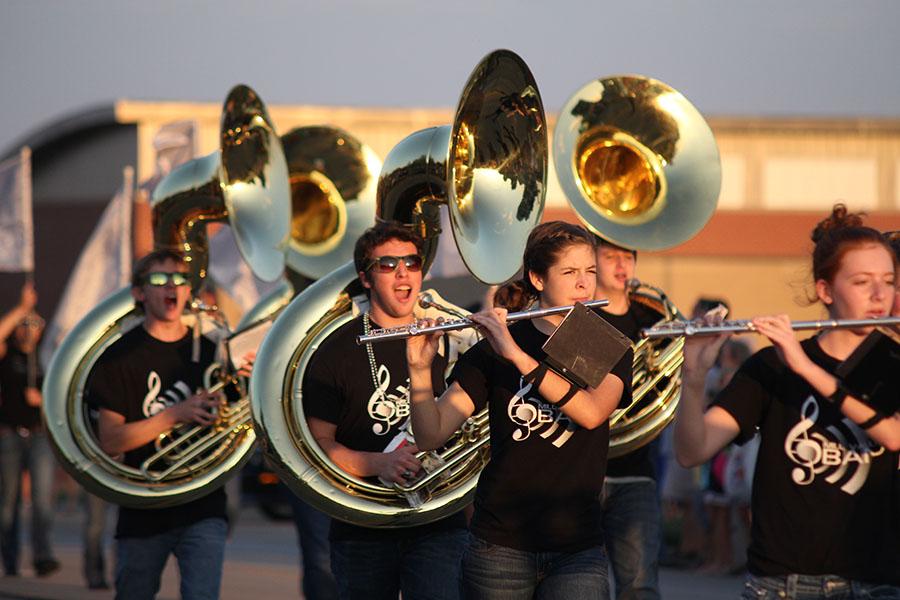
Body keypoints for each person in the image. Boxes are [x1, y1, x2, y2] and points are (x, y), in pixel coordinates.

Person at [674, 204, 900, 599]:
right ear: (825, 290)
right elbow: (693, 451)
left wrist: (808, 369)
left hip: (876, 582)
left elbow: (895, 436)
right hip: (782, 585)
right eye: (862, 282)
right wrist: (692, 376)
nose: (880, 294)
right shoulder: (771, 366)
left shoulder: (892, 365)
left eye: (888, 281)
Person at [407, 221, 633, 599]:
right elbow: (432, 433)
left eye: (590, 271)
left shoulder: (599, 340)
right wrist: (418, 372)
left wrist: (517, 356)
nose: (584, 283)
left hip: (577, 545)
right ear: (538, 279)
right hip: (500, 543)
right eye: (570, 272)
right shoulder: (494, 346)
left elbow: (592, 413)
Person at [302, 220, 467, 600]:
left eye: (411, 262)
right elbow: (318, 446)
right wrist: (379, 464)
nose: (402, 272)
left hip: (439, 521)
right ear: (365, 278)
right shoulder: (335, 349)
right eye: (387, 265)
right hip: (362, 526)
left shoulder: (451, 339)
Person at [86, 249, 243, 600]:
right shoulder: (118, 357)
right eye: (159, 280)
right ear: (139, 293)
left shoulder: (212, 350)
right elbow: (111, 440)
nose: (172, 287)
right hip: (144, 508)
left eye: (180, 279)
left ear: (189, 290)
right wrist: (176, 414)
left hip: (204, 504)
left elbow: (237, 422)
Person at [592, 237, 665, 599]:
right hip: (583, 470)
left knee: (640, 588)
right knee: (581, 585)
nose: (622, 266)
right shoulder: (578, 317)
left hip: (637, 470)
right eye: (611, 257)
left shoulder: (654, 318)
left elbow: (671, 382)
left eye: (628, 257)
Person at [0, 282, 60, 578]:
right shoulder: (8, 356)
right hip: (11, 435)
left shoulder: (48, 360)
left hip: (38, 437)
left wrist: (42, 401)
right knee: (8, 503)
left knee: (41, 501)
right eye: (24, 324)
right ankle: (10, 560)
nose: (29, 329)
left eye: (34, 323)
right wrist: (22, 309)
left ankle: (43, 556)